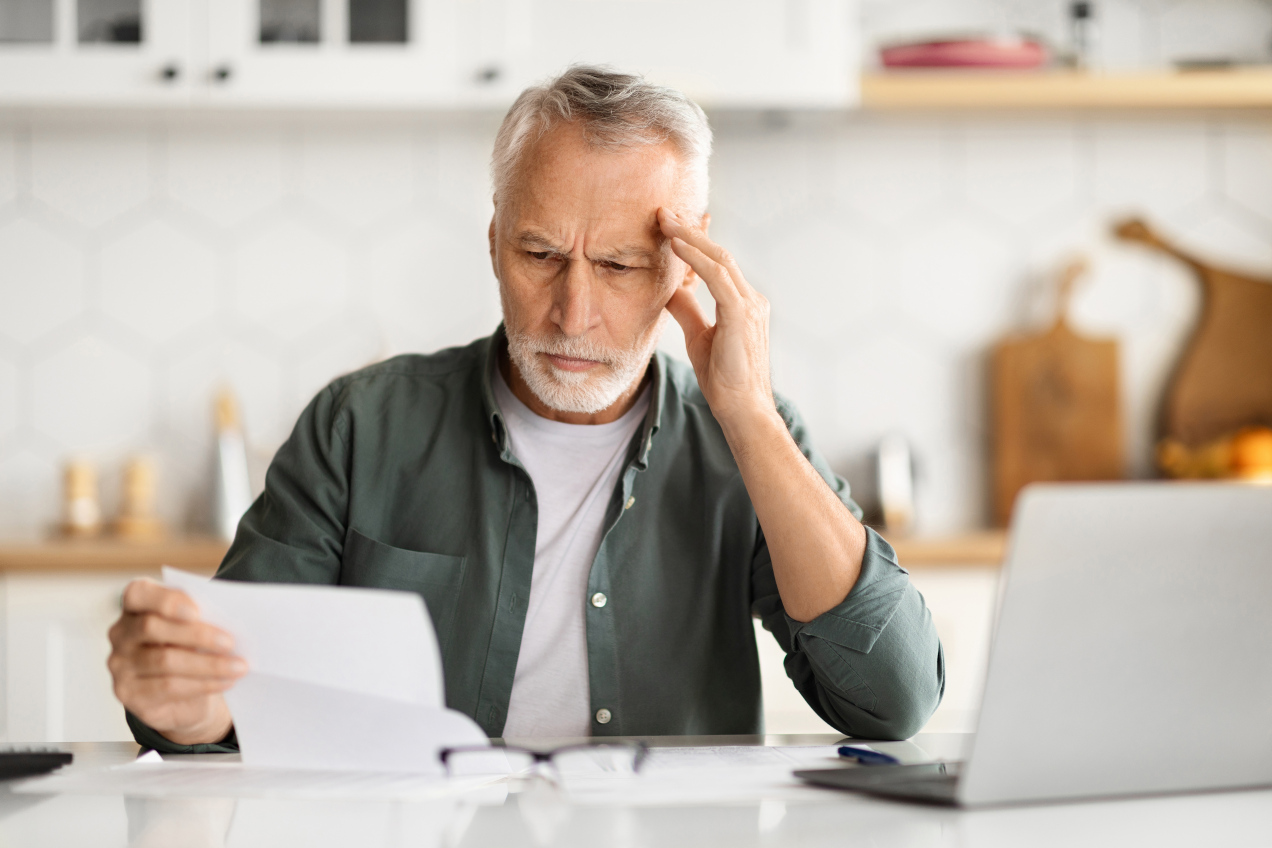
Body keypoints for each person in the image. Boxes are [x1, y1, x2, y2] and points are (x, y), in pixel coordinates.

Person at [107, 66, 944, 752]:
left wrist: (751, 419)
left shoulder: (747, 439)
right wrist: (188, 710)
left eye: (619, 265)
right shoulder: (359, 427)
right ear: (495, 238)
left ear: (686, 263)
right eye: (540, 254)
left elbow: (893, 699)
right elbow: (229, 693)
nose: (572, 314)